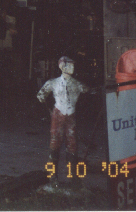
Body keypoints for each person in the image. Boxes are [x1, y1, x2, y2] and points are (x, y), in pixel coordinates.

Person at [37, 56, 89, 186]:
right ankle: (52, 176)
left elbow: (87, 90)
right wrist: (51, 110)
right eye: (70, 65)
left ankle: (73, 177)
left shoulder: (77, 84)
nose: (73, 68)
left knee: (72, 144)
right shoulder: (53, 83)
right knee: (55, 143)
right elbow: (40, 95)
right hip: (58, 114)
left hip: (70, 115)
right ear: (62, 67)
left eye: (73, 65)